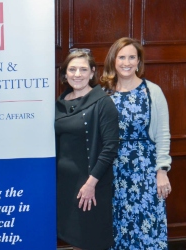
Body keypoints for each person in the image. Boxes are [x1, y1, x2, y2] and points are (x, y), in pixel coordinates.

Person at [101, 37, 172, 249]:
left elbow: (163, 134)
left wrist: (162, 170)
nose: (127, 62)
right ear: (114, 61)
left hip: (145, 170)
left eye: (132, 57)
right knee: (117, 225)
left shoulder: (152, 91)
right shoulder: (104, 93)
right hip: (112, 170)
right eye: (122, 57)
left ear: (139, 62)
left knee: (147, 226)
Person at [55, 48, 119, 250]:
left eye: (83, 69)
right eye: (72, 69)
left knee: (89, 241)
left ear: (92, 73)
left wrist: (91, 183)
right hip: (65, 184)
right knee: (75, 241)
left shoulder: (103, 102)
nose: (77, 74)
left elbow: (110, 147)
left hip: (90, 184)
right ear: (65, 74)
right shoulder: (59, 103)